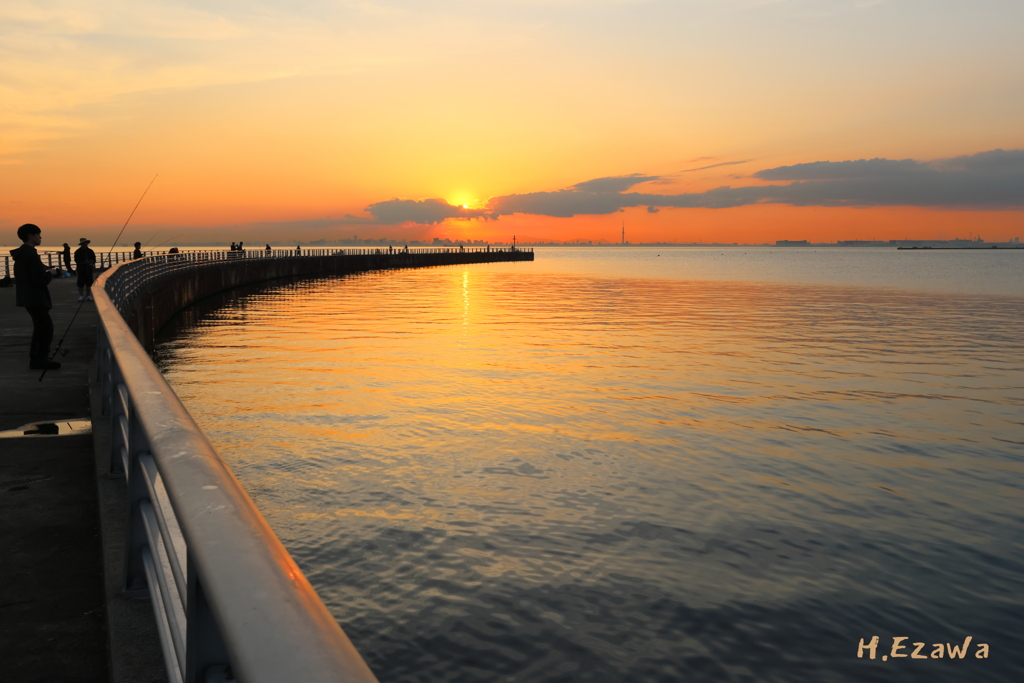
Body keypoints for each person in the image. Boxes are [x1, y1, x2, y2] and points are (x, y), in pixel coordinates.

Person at [11, 224, 61, 370]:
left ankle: (37, 359)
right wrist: (50, 273)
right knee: (45, 329)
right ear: (30, 236)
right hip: (36, 298)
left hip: (28, 297)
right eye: (38, 234)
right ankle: (40, 360)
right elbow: (40, 280)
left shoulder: (22, 254)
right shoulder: (30, 254)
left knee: (41, 328)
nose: (40, 237)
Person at [74, 237, 96, 301]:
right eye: (84, 243)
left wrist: (91, 262)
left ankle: (88, 295)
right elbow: (76, 260)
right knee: (80, 283)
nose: (85, 244)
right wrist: (84, 262)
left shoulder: (90, 251)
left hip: (89, 269)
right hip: (81, 269)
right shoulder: (78, 252)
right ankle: (81, 296)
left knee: (89, 283)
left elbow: (94, 259)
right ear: (81, 244)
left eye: (86, 243)